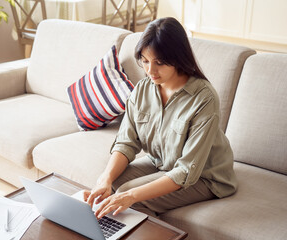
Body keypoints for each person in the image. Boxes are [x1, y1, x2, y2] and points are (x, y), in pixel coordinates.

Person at [83, 17, 238, 219]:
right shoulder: (142, 90)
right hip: (162, 163)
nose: (150, 71)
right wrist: (105, 179)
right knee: (108, 188)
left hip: (205, 177)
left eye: (160, 62)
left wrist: (130, 196)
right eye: (145, 61)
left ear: (178, 58)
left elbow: (186, 170)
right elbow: (126, 142)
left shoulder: (203, 98)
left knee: (125, 196)